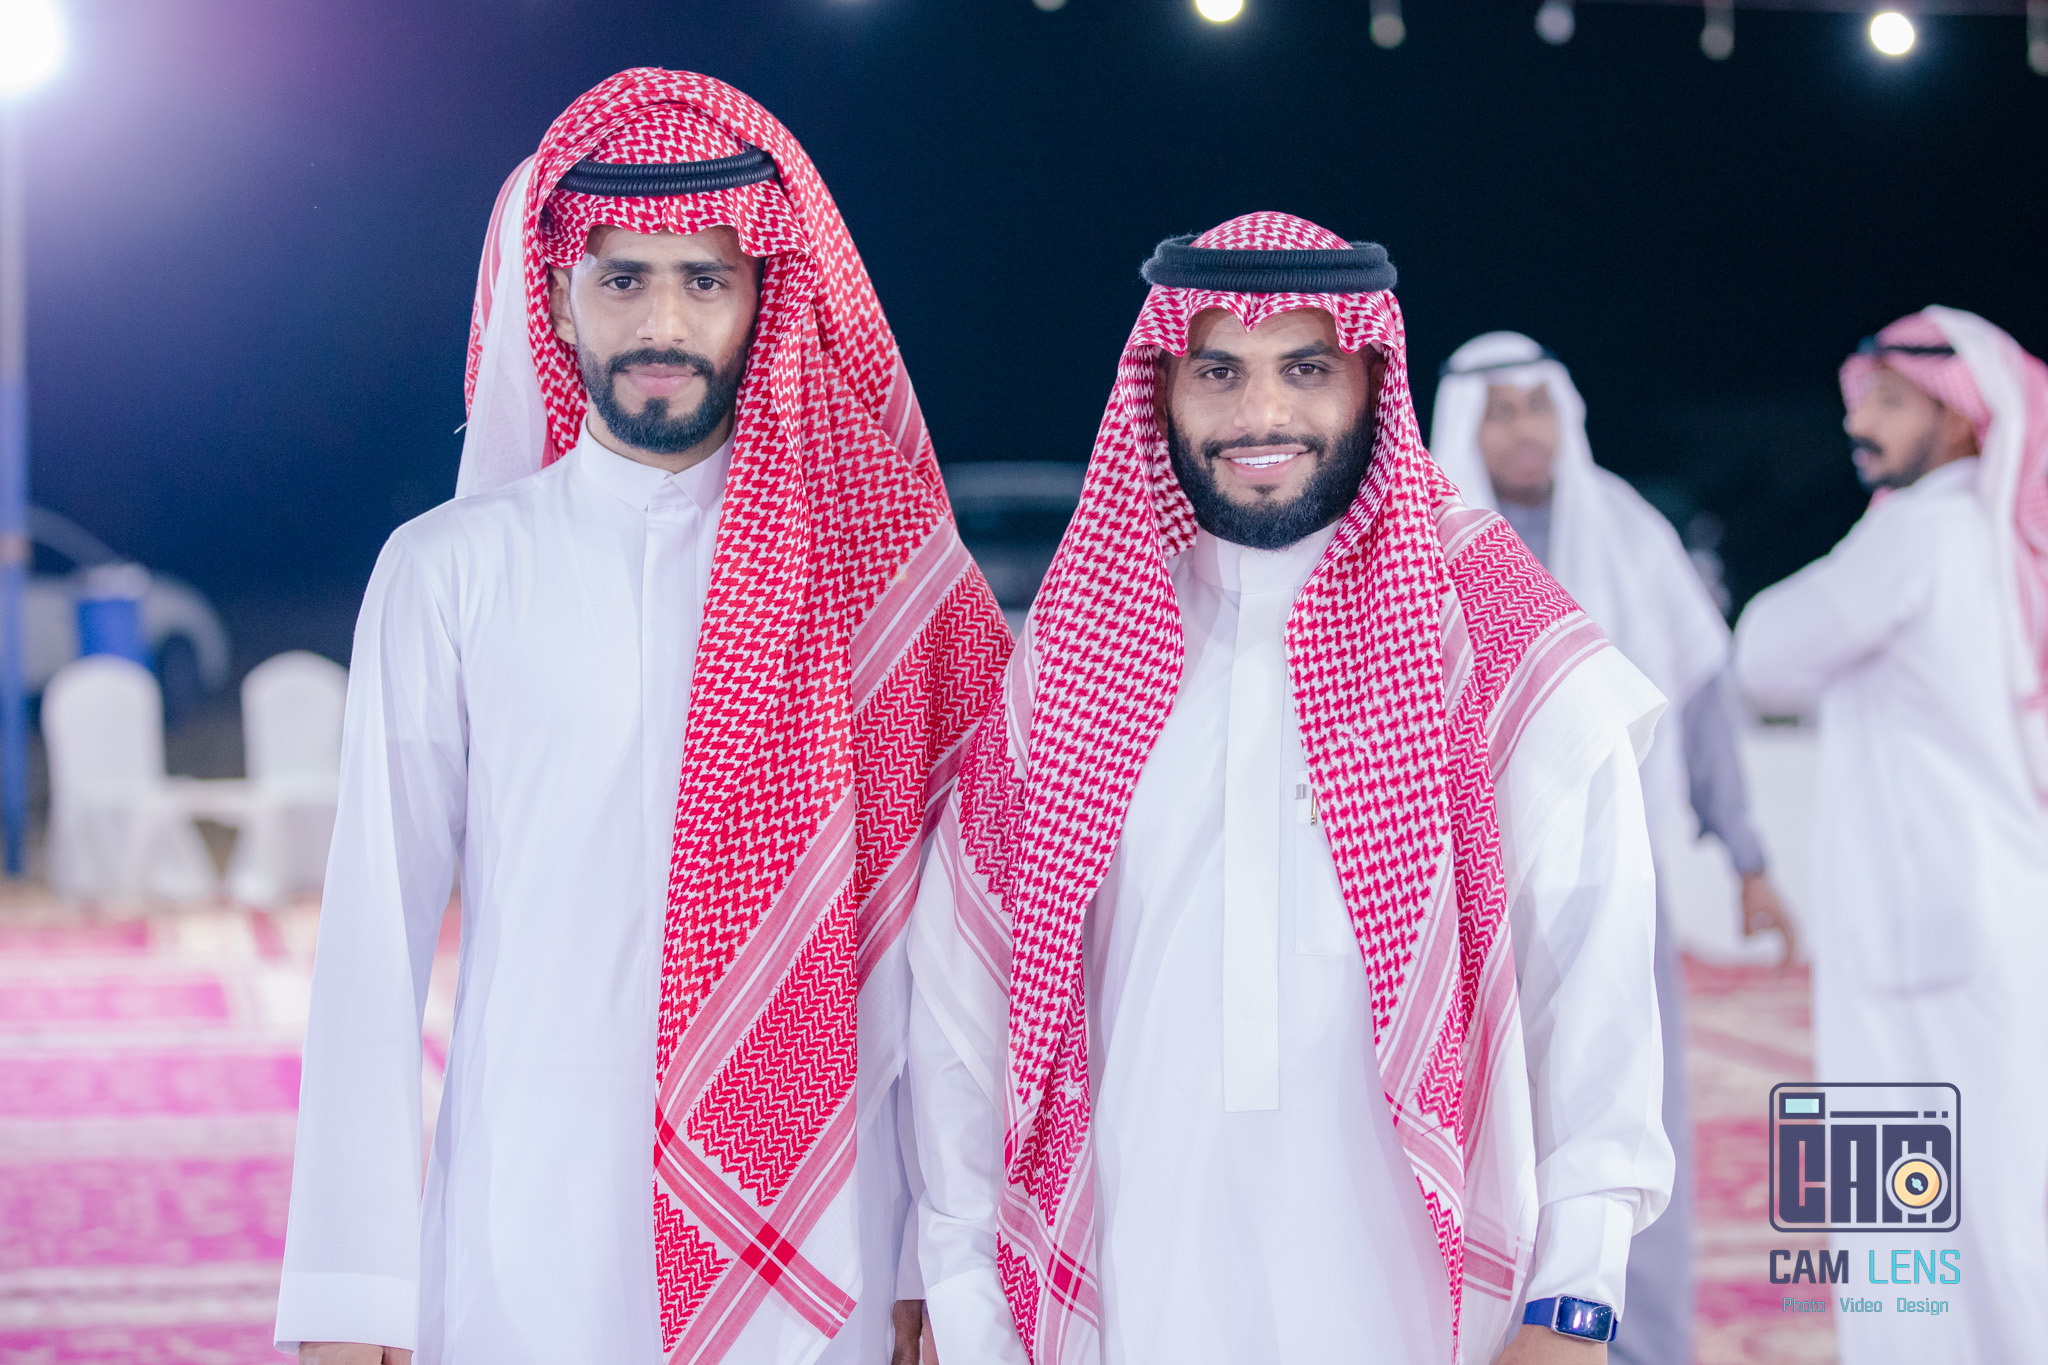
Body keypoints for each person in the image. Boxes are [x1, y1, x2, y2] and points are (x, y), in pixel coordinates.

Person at [274, 69, 1009, 1365]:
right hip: (526, 1215)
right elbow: (374, 938)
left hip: (825, 1237)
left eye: (704, 280)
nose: (662, 322)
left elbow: (952, 956)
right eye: (623, 279)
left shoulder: (883, 581)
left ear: (765, 297)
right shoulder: (450, 568)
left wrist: (933, 1261)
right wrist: (353, 1291)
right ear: (558, 297)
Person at [904, 214, 1673, 1365]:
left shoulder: (1495, 644)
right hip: (1138, 1290)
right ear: (1161, 391)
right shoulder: (1075, 659)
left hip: (1426, 1305)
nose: (1259, 413)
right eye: (1217, 372)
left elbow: (1591, 980)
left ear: (1370, 382)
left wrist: (1574, 1297)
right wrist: (966, 1295)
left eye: (1305, 369)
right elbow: (964, 1005)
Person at [1429, 332, 1798, 1365]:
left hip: (1615, 883)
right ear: (1462, 426)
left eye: (1535, 406)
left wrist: (1747, 856)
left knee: (1626, 1119)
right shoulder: (1418, 547)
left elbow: (1702, 701)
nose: (1522, 430)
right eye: (1498, 411)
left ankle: (1639, 1342)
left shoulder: (1631, 534)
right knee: (1479, 1124)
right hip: (1461, 891)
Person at [1734, 307, 2048, 1365]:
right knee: (1994, 1201)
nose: (1858, 423)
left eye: (1891, 404)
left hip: (1919, 940)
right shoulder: (1990, 537)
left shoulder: (1920, 533)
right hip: (1983, 919)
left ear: (1959, 420)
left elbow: (1763, 651)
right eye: (1861, 399)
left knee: (1910, 1228)